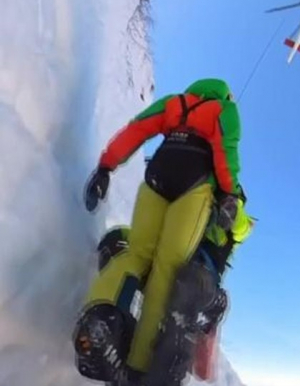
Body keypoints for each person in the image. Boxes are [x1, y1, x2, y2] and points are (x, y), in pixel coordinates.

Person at [73, 78, 252, 386]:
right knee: (166, 271)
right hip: (196, 184)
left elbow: (137, 129)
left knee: (137, 255)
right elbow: (226, 151)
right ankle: (138, 367)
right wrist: (228, 195)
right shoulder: (224, 109)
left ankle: (98, 319)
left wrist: (106, 166)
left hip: (157, 176)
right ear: (225, 95)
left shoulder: (175, 103)